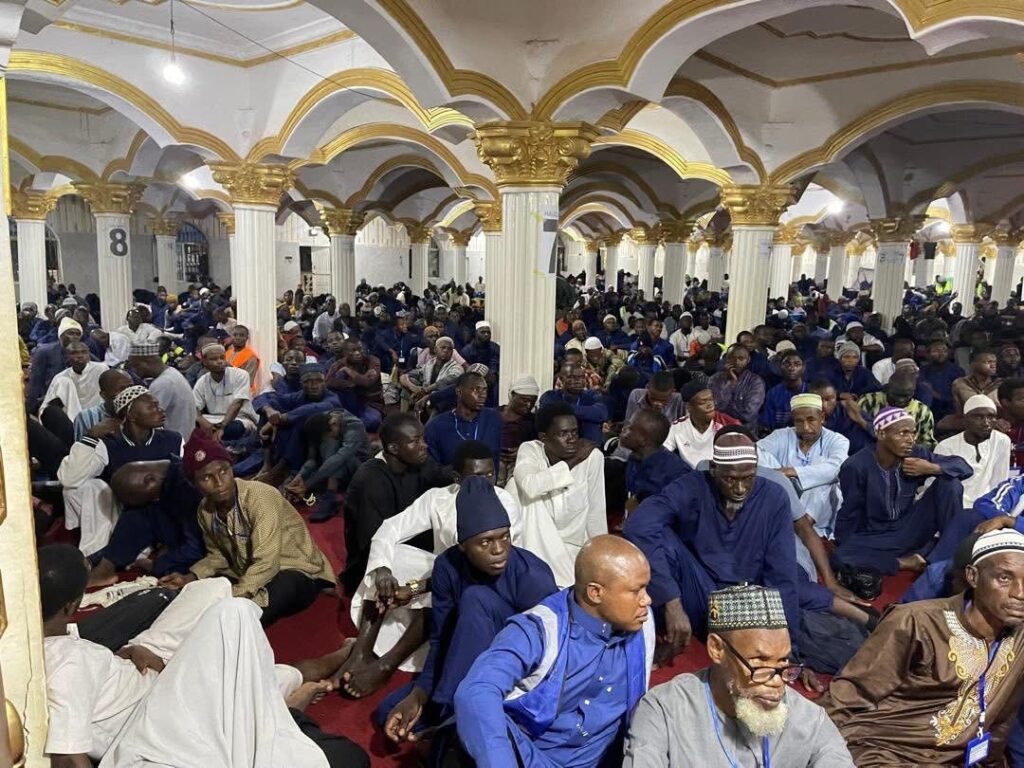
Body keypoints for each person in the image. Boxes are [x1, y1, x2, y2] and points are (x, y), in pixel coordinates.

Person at [39, 543, 370, 768]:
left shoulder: (55, 647)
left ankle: (286, 699)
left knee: (214, 590)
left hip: (146, 671)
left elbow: (90, 678)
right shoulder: (66, 664)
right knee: (240, 624)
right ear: (73, 605)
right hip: (159, 715)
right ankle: (328, 669)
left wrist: (130, 653)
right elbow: (68, 757)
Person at [381, 476, 558, 753]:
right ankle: (449, 717)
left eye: (505, 536)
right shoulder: (447, 567)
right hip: (464, 662)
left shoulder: (532, 576)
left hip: (514, 676)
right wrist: (420, 693)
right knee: (387, 712)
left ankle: (451, 718)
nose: (499, 550)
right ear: (463, 545)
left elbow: (548, 660)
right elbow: (442, 639)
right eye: (485, 542)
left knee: (476, 598)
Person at [825, 529, 1024, 766]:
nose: (1020, 593)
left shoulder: (1019, 638)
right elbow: (848, 695)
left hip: (947, 760)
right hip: (882, 750)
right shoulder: (916, 622)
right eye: (1004, 578)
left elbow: (1002, 719)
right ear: (973, 576)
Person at [454, 535, 655, 768]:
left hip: (604, 761)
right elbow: (476, 691)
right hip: (533, 759)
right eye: (636, 591)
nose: (647, 600)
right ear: (595, 593)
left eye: (646, 588)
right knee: (480, 723)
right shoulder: (541, 629)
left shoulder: (642, 623)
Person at [623, 430, 804, 668]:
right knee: (660, 537)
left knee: (807, 598)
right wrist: (671, 601)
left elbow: (782, 576)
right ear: (713, 469)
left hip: (745, 603)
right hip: (699, 592)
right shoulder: (692, 486)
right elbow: (639, 525)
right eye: (730, 479)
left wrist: (787, 649)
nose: (740, 488)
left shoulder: (774, 497)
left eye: (748, 478)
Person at [623, 584, 854, 767]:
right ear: (717, 649)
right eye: (759, 662)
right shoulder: (664, 711)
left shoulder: (809, 719)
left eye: (782, 662)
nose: (777, 682)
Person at [160, 431, 335, 626]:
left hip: (294, 569)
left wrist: (234, 597)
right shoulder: (206, 510)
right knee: (198, 595)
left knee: (247, 610)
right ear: (194, 484)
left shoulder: (260, 497)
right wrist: (191, 577)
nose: (219, 483)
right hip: (246, 570)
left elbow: (267, 562)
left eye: (224, 471)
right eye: (207, 478)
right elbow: (218, 555)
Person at [832, 407, 973, 575]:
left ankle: (947, 557)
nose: (910, 440)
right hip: (878, 535)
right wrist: (847, 545)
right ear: (881, 434)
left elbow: (964, 467)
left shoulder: (916, 454)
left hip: (911, 525)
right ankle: (905, 562)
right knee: (841, 557)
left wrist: (931, 468)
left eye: (913, 433)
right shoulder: (856, 466)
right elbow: (850, 511)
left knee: (950, 484)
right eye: (902, 433)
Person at [58, 386, 183, 557]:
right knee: (89, 486)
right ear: (131, 415)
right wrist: (90, 437)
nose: (161, 410)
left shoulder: (173, 440)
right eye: (152, 407)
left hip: (165, 510)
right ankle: (99, 550)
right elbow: (69, 479)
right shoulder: (110, 444)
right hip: (123, 514)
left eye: (158, 405)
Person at [342, 412, 452, 594]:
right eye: (415, 441)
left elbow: (442, 478)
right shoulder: (370, 480)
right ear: (393, 448)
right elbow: (371, 540)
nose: (424, 445)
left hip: (410, 544)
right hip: (378, 560)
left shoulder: (419, 461)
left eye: (422, 439)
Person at [507, 401, 607, 587]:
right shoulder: (531, 450)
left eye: (574, 432)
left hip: (572, 547)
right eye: (563, 434)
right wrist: (574, 461)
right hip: (535, 543)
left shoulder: (592, 457)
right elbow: (530, 486)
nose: (571, 439)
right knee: (516, 486)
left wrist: (601, 555)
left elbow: (596, 511)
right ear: (544, 437)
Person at [86, 458, 204, 587]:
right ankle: (105, 566)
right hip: (182, 537)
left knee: (173, 571)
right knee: (138, 514)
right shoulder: (167, 473)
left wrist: (158, 565)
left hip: (207, 548)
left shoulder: (189, 488)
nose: (154, 500)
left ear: (150, 479)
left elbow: (196, 547)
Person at [757, 393, 850, 536]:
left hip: (819, 510)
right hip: (785, 499)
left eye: (811, 420)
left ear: (822, 417)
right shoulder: (782, 435)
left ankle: (802, 527)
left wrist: (791, 472)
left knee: (824, 477)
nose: (805, 427)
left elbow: (836, 469)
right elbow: (753, 452)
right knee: (757, 453)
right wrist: (781, 479)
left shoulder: (838, 440)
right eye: (799, 421)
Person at [284, 408, 370, 523]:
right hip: (329, 468)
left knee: (335, 450)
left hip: (357, 466)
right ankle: (303, 487)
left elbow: (340, 458)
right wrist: (301, 476)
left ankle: (330, 495)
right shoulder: (319, 423)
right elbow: (313, 459)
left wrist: (308, 484)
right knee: (296, 484)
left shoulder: (354, 425)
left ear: (333, 424)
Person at [936, 394, 1011, 508]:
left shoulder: (1002, 441)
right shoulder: (946, 446)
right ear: (965, 420)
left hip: (986, 506)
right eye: (978, 417)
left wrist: (994, 508)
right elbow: (935, 487)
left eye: (991, 417)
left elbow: (999, 482)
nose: (986, 423)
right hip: (953, 506)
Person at [424, 370, 502, 469]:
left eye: (485, 390)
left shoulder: (493, 419)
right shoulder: (436, 426)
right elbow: (432, 470)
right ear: (459, 392)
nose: (483, 395)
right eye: (476, 390)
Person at [128, 341, 196, 441]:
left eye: (136, 366)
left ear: (146, 362)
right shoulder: (172, 373)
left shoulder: (162, 384)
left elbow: (147, 420)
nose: (135, 371)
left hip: (174, 443)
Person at [664, 381, 740, 467]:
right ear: (689, 407)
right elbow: (664, 453)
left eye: (711, 399)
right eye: (703, 402)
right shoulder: (678, 427)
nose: (710, 405)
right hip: (689, 473)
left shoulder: (729, 425)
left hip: (719, 471)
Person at [192, 342, 259, 439]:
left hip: (239, 419)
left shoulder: (240, 375)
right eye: (214, 359)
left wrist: (222, 427)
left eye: (222, 358)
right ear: (204, 362)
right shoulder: (202, 381)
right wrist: (202, 421)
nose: (220, 361)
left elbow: (237, 404)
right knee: (191, 424)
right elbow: (193, 408)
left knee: (234, 429)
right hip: (213, 419)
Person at [621, 409, 689, 503]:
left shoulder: (676, 474)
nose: (623, 430)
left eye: (630, 429)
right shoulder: (635, 458)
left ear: (643, 440)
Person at [854, 369, 937, 448]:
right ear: (887, 389)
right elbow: (856, 431)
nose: (900, 400)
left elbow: (928, 443)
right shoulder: (869, 401)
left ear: (913, 393)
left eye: (905, 396)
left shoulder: (922, 411)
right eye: (896, 395)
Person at [539, 360, 610, 443]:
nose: (577, 381)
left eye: (581, 377)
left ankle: (590, 449)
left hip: (585, 444)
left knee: (591, 424)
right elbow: (547, 413)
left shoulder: (591, 395)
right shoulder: (550, 396)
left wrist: (564, 409)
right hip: (559, 442)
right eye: (571, 377)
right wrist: (585, 413)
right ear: (561, 379)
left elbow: (601, 414)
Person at [26, 316, 84, 412]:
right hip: (50, 402)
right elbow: (35, 383)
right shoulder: (44, 352)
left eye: (78, 334)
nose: (74, 337)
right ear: (61, 335)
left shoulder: (84, 355)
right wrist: (29, 409)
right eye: (70, 333)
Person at [39, 340, 106, 423]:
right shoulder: (61, 377)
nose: (80, 356)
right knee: (64, 381)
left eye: (84, 352)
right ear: (66, 356)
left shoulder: (101, 369)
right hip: (71, 420)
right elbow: (46, 405)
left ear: (89, 355)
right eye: (74, 353)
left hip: (99, 416)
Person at [709, 344, 765, 430]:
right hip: (717, 429)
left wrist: (724, 411)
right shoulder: (715, 379)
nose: (736, 362)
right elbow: (714, 407)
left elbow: (748, 414)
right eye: (732, 358)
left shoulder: (756, 382)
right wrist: (731, 384)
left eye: (741, 358)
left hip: (744, 430)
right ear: (726, 359)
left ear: (748, 360)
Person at [400, 336, 463, 410]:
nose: (446, 350)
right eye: (443, 347)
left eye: (449, 349)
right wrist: (413, 388)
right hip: (424, 394)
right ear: (435, 349)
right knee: (408, 384)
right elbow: (404, 376)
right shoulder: (429, 364)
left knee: (438, 399)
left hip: (440, 399)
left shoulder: (456, 367)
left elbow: (447, 381)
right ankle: (403, 415)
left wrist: (425, 390)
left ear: (452, 352)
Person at [73, 368, 133, 440]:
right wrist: (91, 435)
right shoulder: (86, 417)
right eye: (122, 389)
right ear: (104, 395)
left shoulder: (141, 412)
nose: (129, 393)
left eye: (131, 387)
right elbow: (80, 447)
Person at [759, 349, 806, 430]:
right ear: (780, 366)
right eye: (787, 364)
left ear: (803, 368)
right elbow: (768, 424)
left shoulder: (811, 391)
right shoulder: (773, 393)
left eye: (797, 364)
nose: (791, 368)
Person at [953, 347, 1002, 415]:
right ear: (973, 364)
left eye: (994, 362)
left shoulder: (1000, 384)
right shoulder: (960, 384)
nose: (993, 366)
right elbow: (959, 410)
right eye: (988, 362)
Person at [225, 324, 260, 390]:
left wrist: (231, 368)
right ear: (231, 337)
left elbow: (248, 380)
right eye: (235, 335)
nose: (238, 338)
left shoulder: (251, 357)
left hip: (242, 391)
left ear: (247, 338)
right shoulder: (227, 353)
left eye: (241, 335)